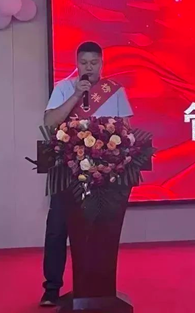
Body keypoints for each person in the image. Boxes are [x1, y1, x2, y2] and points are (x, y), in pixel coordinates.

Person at [40, 41, 133, 307]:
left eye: (93, 63)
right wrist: (75, 96)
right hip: (67, 170)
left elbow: (126, 130)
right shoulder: (64, 88)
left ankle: (99, 288)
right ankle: (51, 288)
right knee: (58, 228)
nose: (88, 68)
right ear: (77, 64)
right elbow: (49, 123)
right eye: (83, 63)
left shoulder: (114, 91)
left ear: (101, 64)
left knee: (100, 230)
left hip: (105, 172)